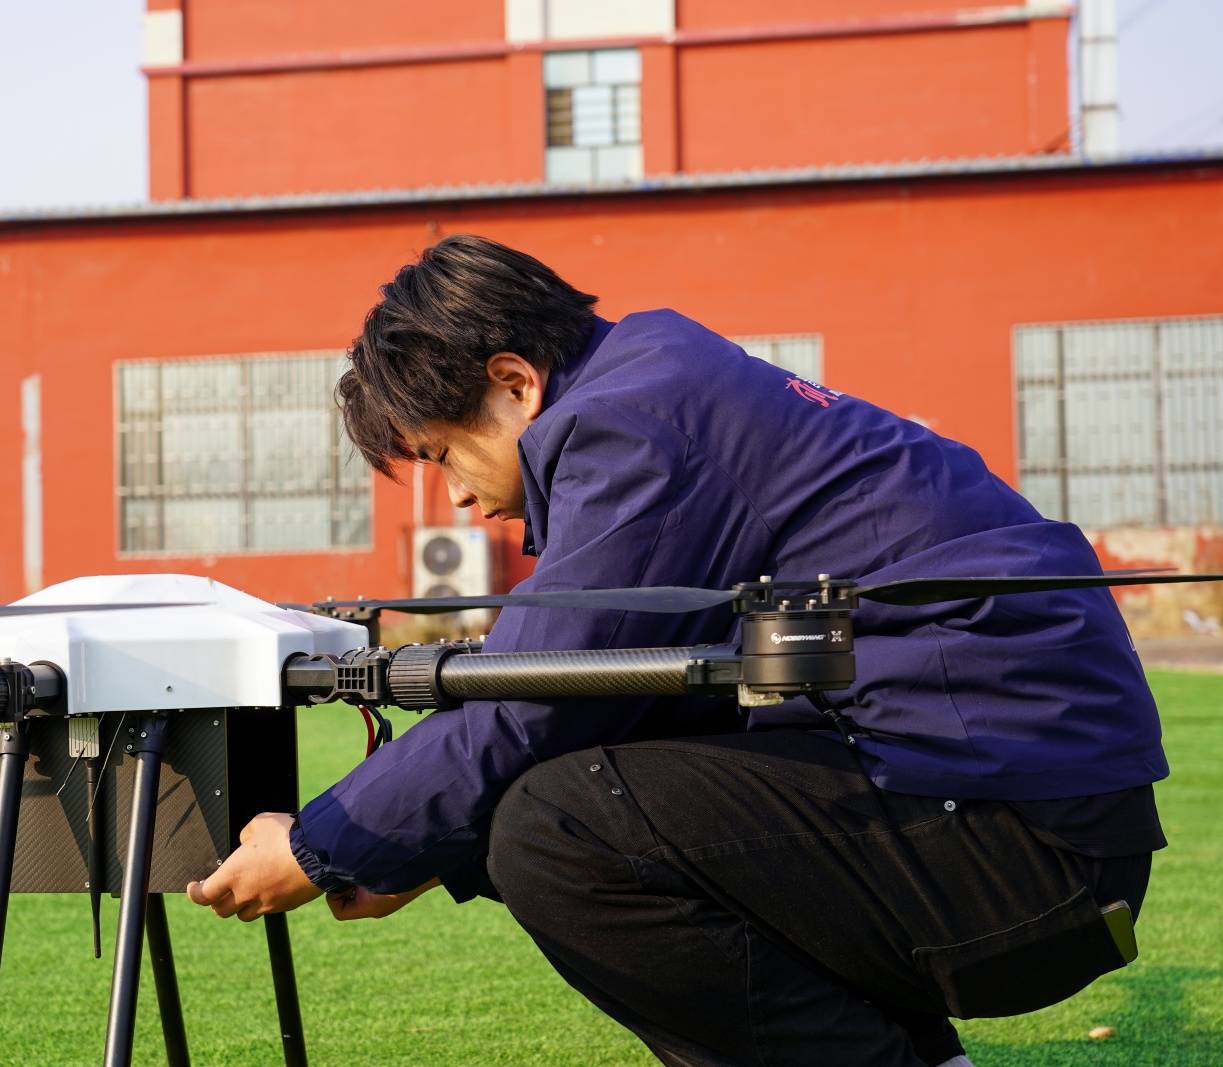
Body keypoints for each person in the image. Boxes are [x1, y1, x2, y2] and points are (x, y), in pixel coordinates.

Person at [185, 235, 1166, 1067]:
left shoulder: (632, 427)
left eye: (442, 453)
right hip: (1015, 813)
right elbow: (627, 701)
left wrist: (318, 845)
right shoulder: (658, 380)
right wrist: (421, 852)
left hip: (1024, 849)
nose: (456, 496)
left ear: (515, 383)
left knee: (555, 828)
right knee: (576, 795)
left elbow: (532, 700)